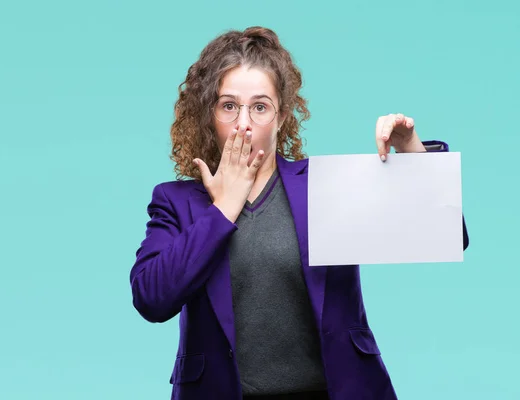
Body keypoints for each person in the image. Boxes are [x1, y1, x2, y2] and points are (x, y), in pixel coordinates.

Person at [129, 26, 469, 400]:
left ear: (281, 115)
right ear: (210, 114)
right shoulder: (176, 202)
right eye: (229, 106)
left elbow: (445, 232)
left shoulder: (324, 187)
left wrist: (412, 154)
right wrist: (223, 209)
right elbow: (151, 298)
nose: (244, 123)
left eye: (260, 107)